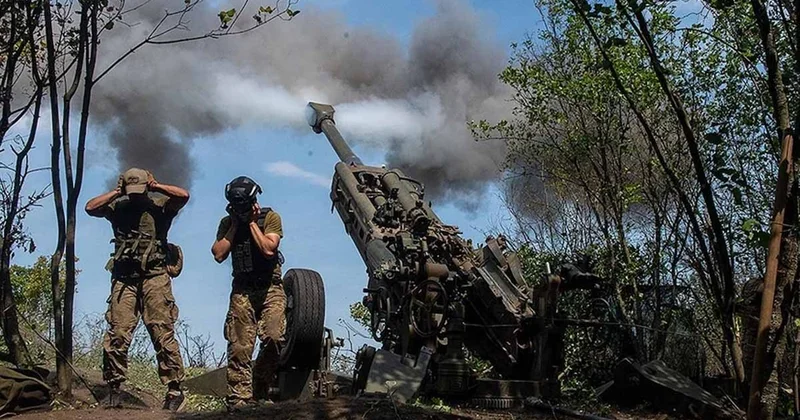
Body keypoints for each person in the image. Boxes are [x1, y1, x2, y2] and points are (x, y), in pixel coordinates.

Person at [85, 168, 189, 411]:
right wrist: (116, 192)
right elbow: (90, 208)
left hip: (155, 277)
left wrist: (157, 186)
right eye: (130, 191)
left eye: (138, 190)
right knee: (118, 333)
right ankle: (114, 388)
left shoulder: (160, 206)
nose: (134, 196)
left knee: (162, 333)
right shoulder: (118, 207)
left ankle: (175, 390)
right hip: (124, 278)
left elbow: (183, 196)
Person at [211, 176, 285, 410]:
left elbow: (268, 249)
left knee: (274, 337)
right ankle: (239, 398)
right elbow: (218, 253)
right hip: (242, 289)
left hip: (270, 288)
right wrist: (235, 225)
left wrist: (252, 223)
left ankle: (260, 384)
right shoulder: (227, 223)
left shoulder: (269, 218)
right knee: (240, 346)